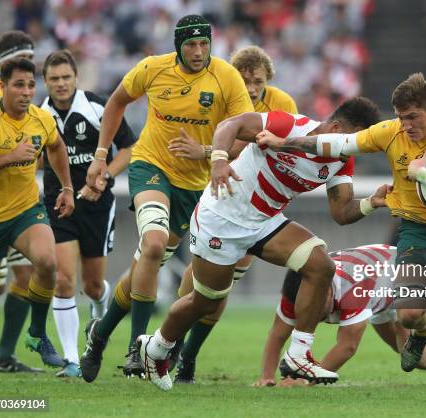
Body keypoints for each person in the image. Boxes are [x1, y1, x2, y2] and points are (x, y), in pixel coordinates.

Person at [257, 72, 426, 402]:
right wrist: (287, 143)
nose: (406, 125)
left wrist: (423, 175)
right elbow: (338, 143)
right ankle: (423, 332)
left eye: (412, 117)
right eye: (400, 117)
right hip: (416, 232)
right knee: (409, 315)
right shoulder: (390, 133)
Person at [137, 97, 385, 391]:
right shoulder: (290, 124)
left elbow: (341, 213)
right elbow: (232, 124)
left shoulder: (341, 160)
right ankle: (154, 349)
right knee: (205, 302)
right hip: (221, 218)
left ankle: (298, 354)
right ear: (335, 127)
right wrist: (218, 161)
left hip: (264, 222)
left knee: (321, 266)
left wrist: (371, 203)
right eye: (353, 141)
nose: (353, 149)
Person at [79, 14, 254, 383]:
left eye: (204, 43)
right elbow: (116, 103)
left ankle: (98, 335)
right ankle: (137, 347)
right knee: (154, 245)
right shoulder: (152, 69)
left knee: (146, 262)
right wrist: (100, 155)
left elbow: (247, 132)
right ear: (177, 45)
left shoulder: (226, 77)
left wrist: (206, 151)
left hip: (196, 186)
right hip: (151, 166)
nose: (198, 51)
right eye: (190, 44)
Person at [173, 45, 299, 384]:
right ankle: (174, 344)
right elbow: (218, 142)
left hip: (258, 203)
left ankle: (187, 355)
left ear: (267, 80)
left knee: (223, 282)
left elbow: (263, 146)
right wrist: (208, 152)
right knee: (205, 276)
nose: (251, 86)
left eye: (257, 80)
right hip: (220, 196)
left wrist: (205, 151)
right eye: (244, 80)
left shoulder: (283, 104)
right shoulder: (221, 98)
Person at [256, 244, 426, 388]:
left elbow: (347, 346)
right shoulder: (296, 288)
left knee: (414, 359)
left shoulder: (351, 287)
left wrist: (306, 381)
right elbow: (277, 334)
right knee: (401, 347)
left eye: (315, 304)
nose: (309, 311)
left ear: (329, 290)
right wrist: (266, 378)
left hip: (403, 277)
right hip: (378, 289)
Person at [41, 50, 136, 378]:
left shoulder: (98, 106)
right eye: (54, 78)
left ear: (76, 77)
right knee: (64, 279)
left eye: (66, 77)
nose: (61, 83)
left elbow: (129, 149)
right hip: (58, 205)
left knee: (93, 285)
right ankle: (71, 360)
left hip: (97, 207)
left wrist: (106, 174)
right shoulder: (38, 114)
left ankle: (98, 311)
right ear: (46, 82)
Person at [0, 57, 75, 382]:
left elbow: (57, 147)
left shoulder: (41, 119)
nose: (26, 92)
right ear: (3, 86)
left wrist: (66, 188)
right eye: (19, 85)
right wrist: (10, 158)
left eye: (31, 85)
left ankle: (36, 332)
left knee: (48, 262)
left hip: (25, 211)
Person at [0, 30, 41, 374]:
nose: (31, 70)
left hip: (18, 204)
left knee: (24, 274)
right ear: (6, 63)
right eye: (26, 59)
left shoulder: (24, 92)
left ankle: (3, 356)